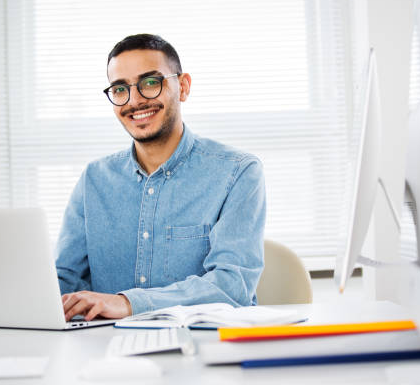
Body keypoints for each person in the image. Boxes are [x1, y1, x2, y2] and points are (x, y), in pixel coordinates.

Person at [56, 34, 266, 321]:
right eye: (120, 89)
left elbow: (232, 286)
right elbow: (64, 280)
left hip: (204, 346)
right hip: (107, 349)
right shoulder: (94, 179)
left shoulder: (238, 172)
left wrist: (129, 304)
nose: (136, 100)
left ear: (183, 87)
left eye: (151, 83)